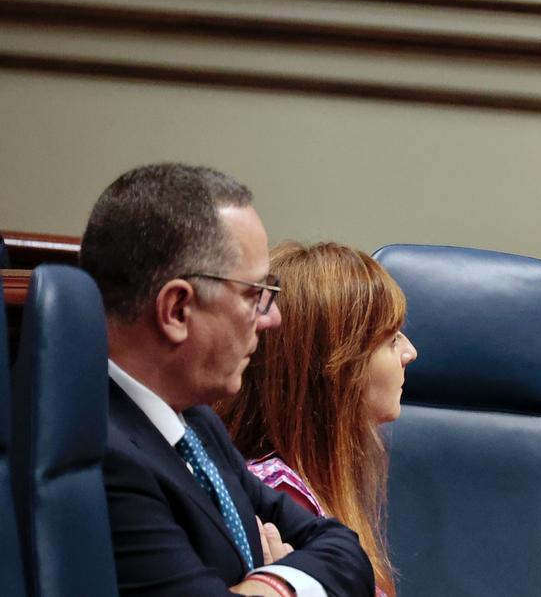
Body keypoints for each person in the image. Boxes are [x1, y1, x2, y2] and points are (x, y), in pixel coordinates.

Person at [80, 163, 374, 597]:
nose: (273, 318)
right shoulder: (101, 456)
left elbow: (346, 550)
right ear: (177, 310)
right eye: (255, 295)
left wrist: (273, 585)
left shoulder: (197, 426)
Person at [217, 242, 418, 597]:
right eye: (391, 339)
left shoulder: (306, 479)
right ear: (335, 369)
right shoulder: (276, 497)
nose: (409, 352)